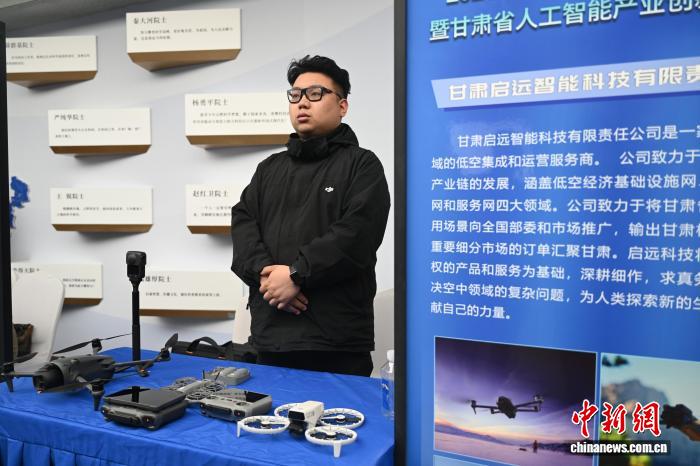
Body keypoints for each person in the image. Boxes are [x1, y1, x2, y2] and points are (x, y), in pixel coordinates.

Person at [230, 55, 390, 377]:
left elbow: (356, 236)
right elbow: (243, 226)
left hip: (335, 343)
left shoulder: (362, 164)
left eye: (315, 93)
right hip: (271, 337)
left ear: (342, 106)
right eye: (295, 95)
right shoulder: (269, 169)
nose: (302, 102)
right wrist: (268, 277)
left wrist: (295, 274)